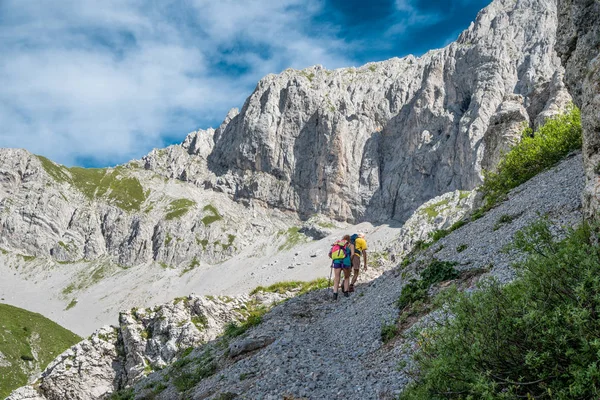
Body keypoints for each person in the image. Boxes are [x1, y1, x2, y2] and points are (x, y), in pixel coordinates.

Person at [329, 235, 352, 300]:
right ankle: (346, 293)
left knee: (336, 277)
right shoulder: (348, 245)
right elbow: (351, 254)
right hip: (345, 262)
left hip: (336, 261)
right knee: (346, 277)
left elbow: (330, 254)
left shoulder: (336, 244)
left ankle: (335, 294)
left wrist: (335, 258)